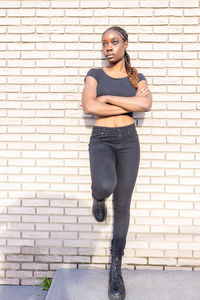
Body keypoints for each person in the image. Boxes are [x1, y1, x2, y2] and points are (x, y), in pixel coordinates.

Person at [81, 26, 152, 300]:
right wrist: (130, 103)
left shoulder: (137, 76)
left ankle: (115, 267)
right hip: (101, 138)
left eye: (114, 42)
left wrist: (108, 98)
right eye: (104, 43)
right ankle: (98, 197)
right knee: (105, 185)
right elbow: (89, 106)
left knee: (122, 205)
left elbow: (146, 105)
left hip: (128, 140)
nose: (108, 47)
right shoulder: (94, 74)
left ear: (124, 44)